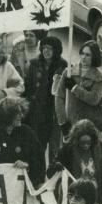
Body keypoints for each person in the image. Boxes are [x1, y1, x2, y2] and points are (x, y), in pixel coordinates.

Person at [48, 119, 102, 204]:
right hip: (76, 199)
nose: (85, 145)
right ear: (76, 140)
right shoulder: (67, 150)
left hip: (99, 199)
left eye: (88, 142)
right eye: (82, 143)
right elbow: (50, 174)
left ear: (93, 139)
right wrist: (56, 167)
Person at [24, 35, 68, 164]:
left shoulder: (63, 65)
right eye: (44, 48)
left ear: (56, 50)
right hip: (38, 111)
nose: (46, 51)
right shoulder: (34, 63)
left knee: (55, 148)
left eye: (50, 48)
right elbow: (28, 86)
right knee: (38, 145)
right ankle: (38, 176)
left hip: (55, 112)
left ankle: (53, 176)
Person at [55, 41, 102, 137]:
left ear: (94, 57)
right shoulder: (69, 72)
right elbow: (59, 97)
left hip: (90, 125)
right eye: (82, 53)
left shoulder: (98, 77)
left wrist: (75, 88)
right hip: (71, 122)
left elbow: (94, 99)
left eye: (88, 55)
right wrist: (62, 122)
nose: (83, 57)